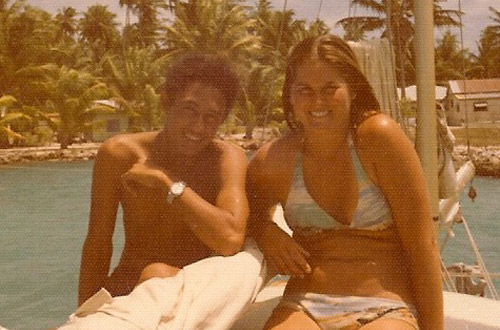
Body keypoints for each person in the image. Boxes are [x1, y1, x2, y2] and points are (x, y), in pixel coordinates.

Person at [246, 34, 443, 330]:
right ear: (290, 94)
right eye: (304, 90)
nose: (317, 101)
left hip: (386, 308)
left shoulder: (379, 139)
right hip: (303, 305)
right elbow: (237, 211)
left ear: (352, 89)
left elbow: (423, 246)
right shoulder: (273, 160)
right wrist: (263, 229)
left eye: (330, 88)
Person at [78, 52, 249, 306]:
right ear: (166, 103)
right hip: (130, 284)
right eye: (189, 110)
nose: (198, 127)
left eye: (211, 117)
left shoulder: (226, 158)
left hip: (195, 290)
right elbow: (99, 243)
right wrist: (84, 312)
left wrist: (167, 183)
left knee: (157, 273)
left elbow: (230, 239)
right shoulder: (119, 155)